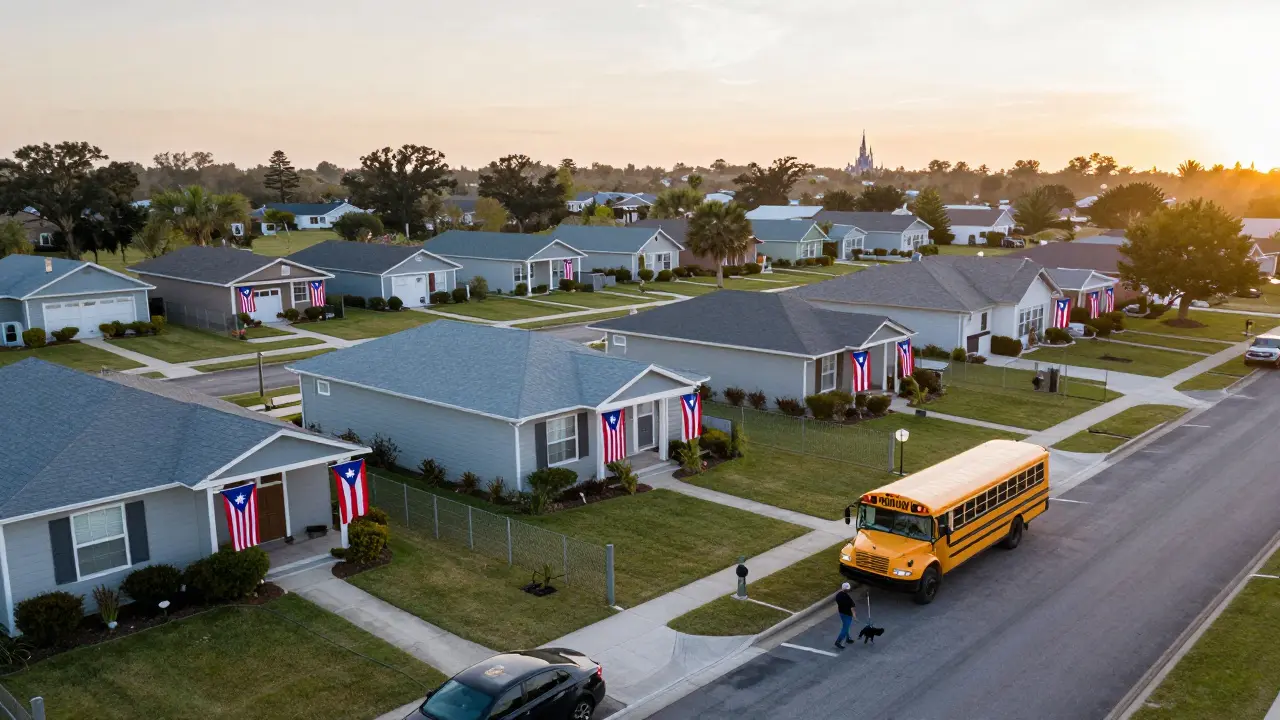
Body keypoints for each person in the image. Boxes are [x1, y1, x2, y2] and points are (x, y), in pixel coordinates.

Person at [834, 582, 857, 649]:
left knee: (845, 626)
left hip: (841, 613)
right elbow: (852, 606)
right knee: (845, 628)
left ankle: (848, 638)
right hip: (848, 614)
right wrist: (854, 615)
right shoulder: (847, 597)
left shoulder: (838, 595)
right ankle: (838, 641)